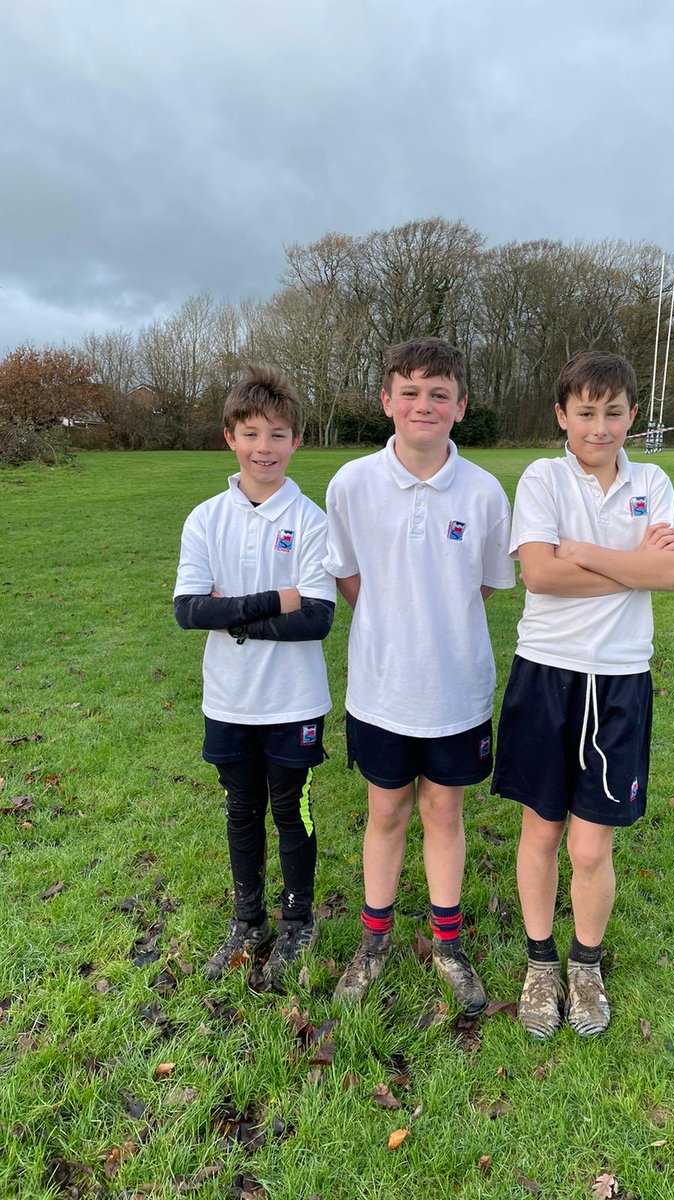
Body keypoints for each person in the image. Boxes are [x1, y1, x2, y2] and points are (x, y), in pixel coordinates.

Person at [491, 350, 674, 1038]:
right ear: (562, 416)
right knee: (542, 831)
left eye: (612, 413)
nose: (598, 427)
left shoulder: (653, 480)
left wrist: (587, 552)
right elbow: (541, 576)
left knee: (590, 846)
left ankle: (585, 965)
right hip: (547, 672)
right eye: (585, 413)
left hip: (621, 679)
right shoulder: (543, 477)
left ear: (632, 415)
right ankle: (541, 963)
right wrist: (637, 567)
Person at [324, 337, 514, 1014]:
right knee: (385, 811)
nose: (423, 405)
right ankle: (374, 942)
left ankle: (447, 942)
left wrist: (436, 623)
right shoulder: (350, 483)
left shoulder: (486, 492)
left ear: (460, 406)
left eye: (439, 394)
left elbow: (486, 584)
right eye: (409, 392)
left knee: (444, 809)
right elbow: (347, 575)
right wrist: (390, 621)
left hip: (456, 689)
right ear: (386, 401)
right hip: (381, 687)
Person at [174, 365, 335, 988]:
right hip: (229, 699)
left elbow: (317, 618)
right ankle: (250, 922)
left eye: (276, 435)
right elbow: (190, 610)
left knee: (291, 812)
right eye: (251, 434)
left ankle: (298, 921)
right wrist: (272, 600)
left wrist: (232, 611)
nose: (263, 448)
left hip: (293, 700)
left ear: (296, 441)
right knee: (241, 811)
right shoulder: (206, 519)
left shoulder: (313, 521)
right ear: (229, 438)